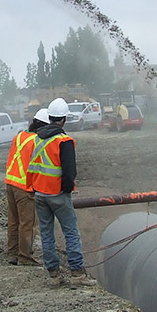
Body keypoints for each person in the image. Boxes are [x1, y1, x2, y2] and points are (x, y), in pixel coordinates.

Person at [28, 98, 95, 287]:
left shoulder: (37, 139)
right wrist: (66, 190)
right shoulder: (63, 141)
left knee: (47, 234)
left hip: (39, 193)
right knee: (71, 232)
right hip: (57, 194)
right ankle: (77, 274)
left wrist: (34, 187)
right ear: (63, 120)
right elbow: (69, 172)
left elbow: (32, 166)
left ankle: (54, 275)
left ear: (50, 118)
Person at [5, 108, 50, 266]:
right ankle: (24, 256)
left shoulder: (19, 136)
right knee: (27, 223)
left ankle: (12, 253)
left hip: (10, 182)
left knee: (14, 221)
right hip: (24, 186)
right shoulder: (37, 141)